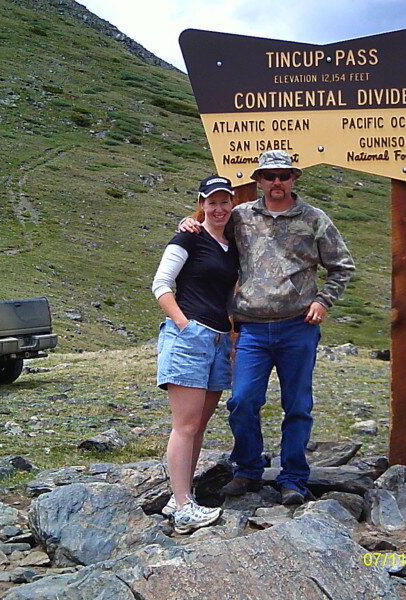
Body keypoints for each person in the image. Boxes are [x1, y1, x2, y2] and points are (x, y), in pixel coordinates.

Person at [181, 150, 355, 505]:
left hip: (298, 328)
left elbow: (342, 266)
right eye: (270, 175)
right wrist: (189, 222)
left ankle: (293, 478)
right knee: (243, 401)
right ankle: (247, 469)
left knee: (298, 405)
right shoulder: (241, 216)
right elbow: (210, 227)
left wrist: (323, 301)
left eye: (284, 175)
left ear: (294, 179)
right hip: (251, 330)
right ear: (258, 180)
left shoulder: (314, 219)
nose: (277, 182)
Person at [152, 174, 239, 533]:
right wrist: (184, 326)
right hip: (191, 337)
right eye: (211, 202)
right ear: (202, 204)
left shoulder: (230, 245)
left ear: (231, 203)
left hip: (219, 340)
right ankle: (185, 506)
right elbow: (160, 284)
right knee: (185, 425)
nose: (218, 209)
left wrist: (232, 334)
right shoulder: (188, 237)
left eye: (224, 202)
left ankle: (179, 496)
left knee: (199, 425)